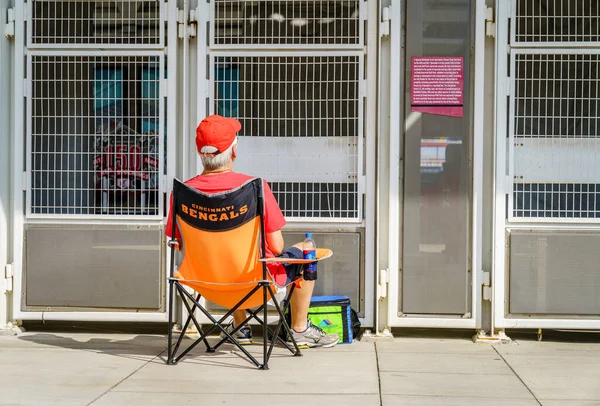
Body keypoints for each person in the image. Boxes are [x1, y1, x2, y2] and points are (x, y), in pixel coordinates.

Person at [166, 115, 339, 349]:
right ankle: (299, 329)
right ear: (234, 152)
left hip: (204, 282)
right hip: (255, 283)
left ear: (200, 153)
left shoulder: (182, 192)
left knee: (222, 255)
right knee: (307, 250)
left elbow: (180, 243)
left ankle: (240, 327)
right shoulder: (253, 188)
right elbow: (277, 248)